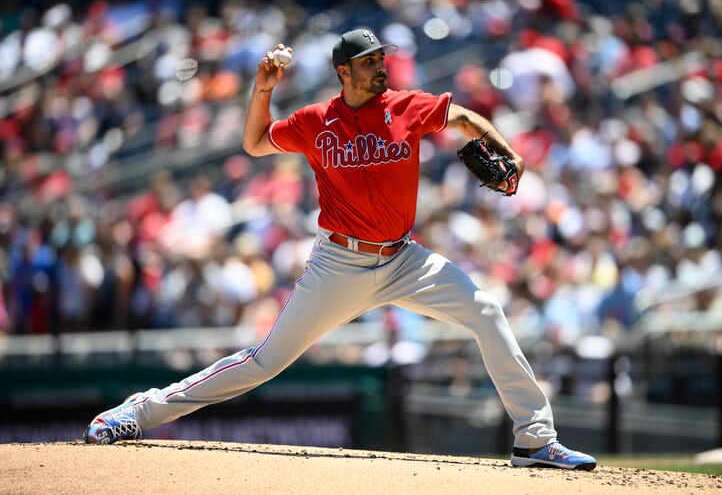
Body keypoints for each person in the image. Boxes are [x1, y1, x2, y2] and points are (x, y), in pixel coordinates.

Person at [84, 28, 597, 470]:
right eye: (369, 63)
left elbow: (463, 120)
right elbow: (256, 143)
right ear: (343, 73)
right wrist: (262, 90)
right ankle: (138, 412)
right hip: (339, 262)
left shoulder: (405, 105)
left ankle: (536, 440)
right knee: (263, 361)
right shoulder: (315, 120)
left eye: (382, 60)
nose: (380, 69)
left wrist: (508, 152)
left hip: (403, 259)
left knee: (486, 309)